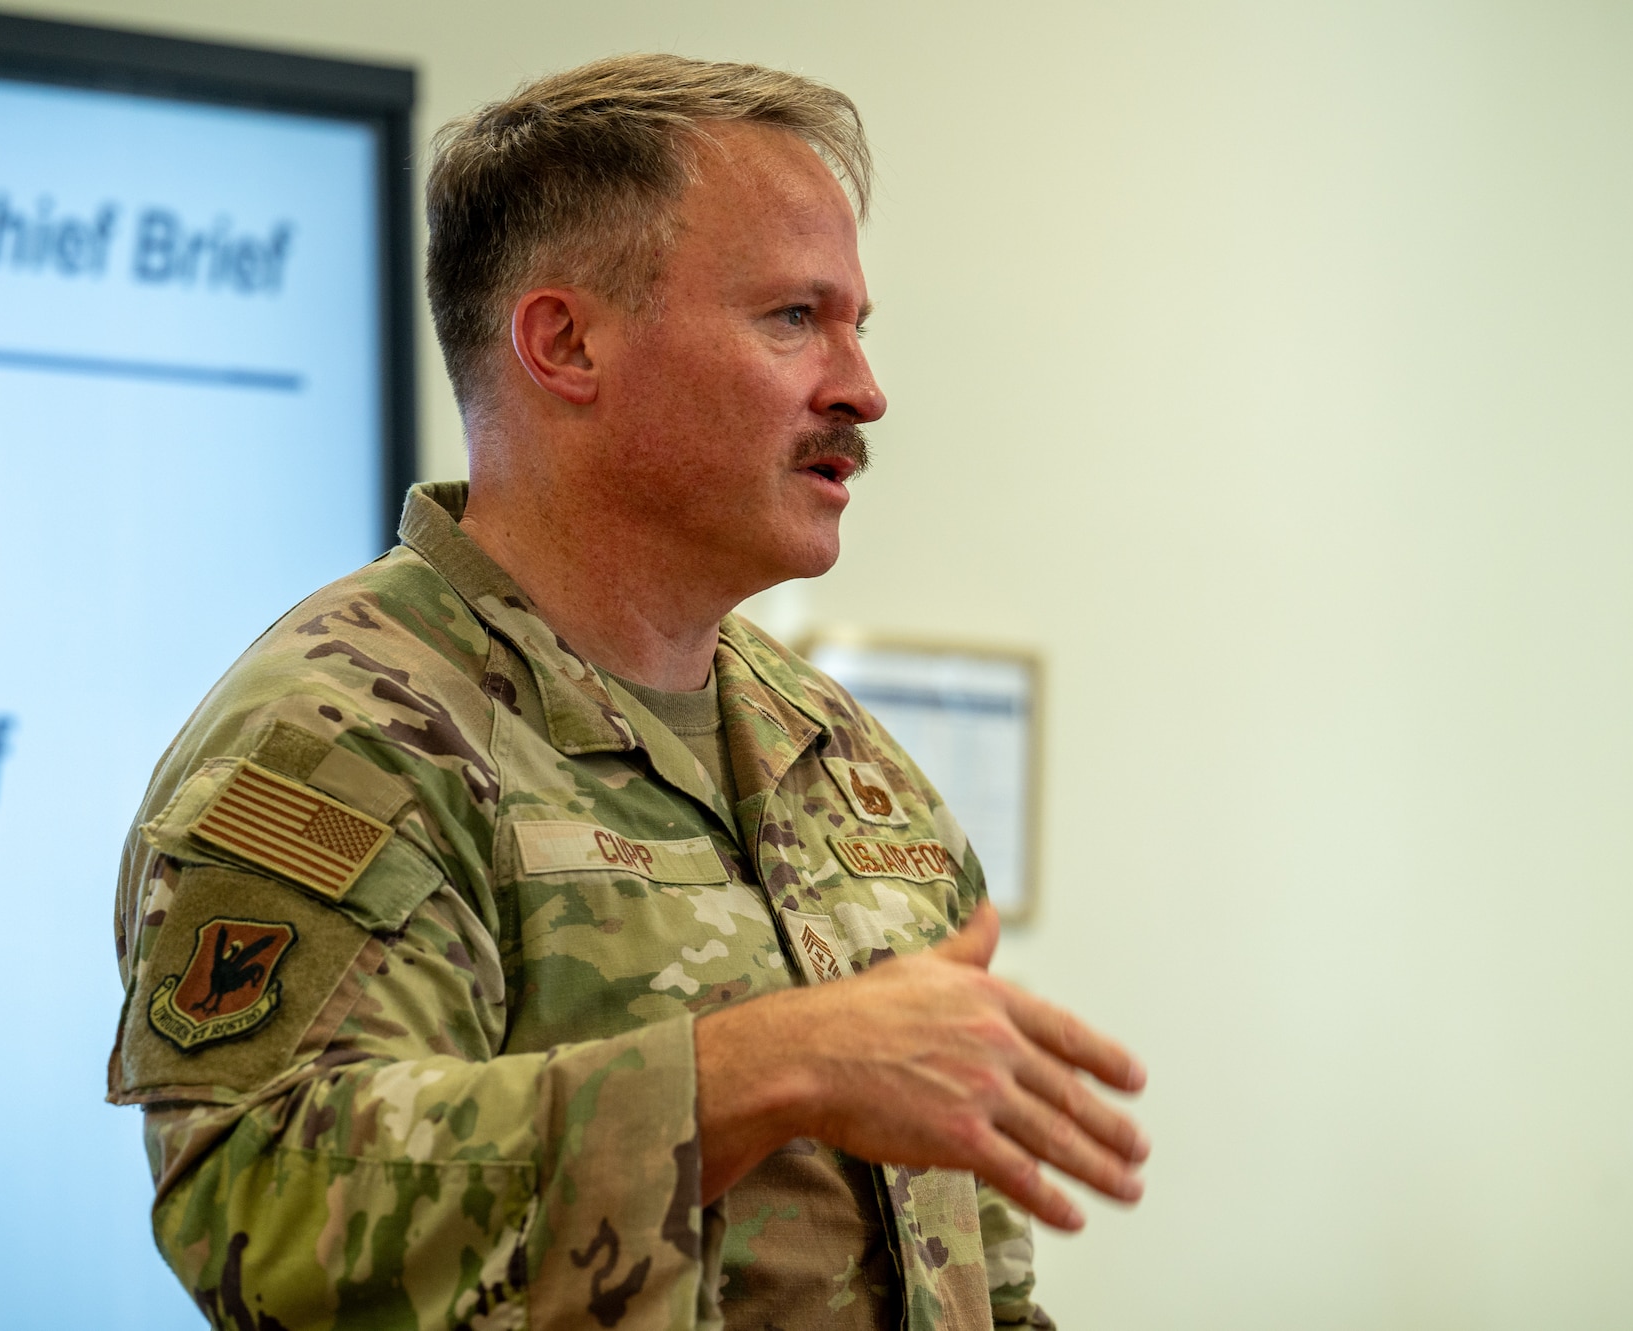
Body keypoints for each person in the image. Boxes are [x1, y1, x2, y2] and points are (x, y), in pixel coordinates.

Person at [107, 53, 1149, 1331]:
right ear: (565, 343)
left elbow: (978, 1280)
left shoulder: (850, 763)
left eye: (855, 326)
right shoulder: (340, 737)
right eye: (791, 319)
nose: (860, 389)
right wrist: (771, 1066)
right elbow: (263, 1210)